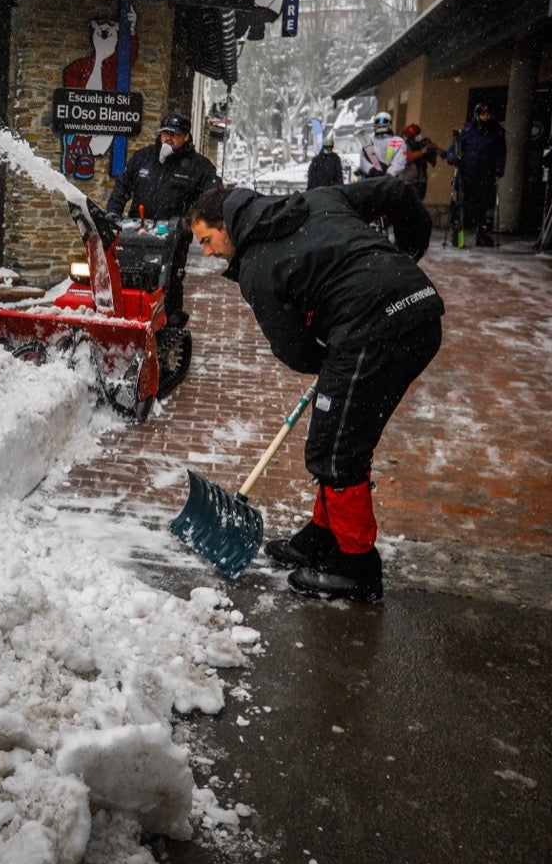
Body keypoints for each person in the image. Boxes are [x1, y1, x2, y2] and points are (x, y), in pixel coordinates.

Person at [187, 178, 444, 603]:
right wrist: (411, 251)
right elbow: (395, 192)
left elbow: (294, 350)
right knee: (333, 434)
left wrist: (330, 363)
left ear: (227, 225)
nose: (209, 253)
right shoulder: (318, 199)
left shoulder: (258, 267)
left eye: (208, 240)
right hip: (414, 311)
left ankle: (356, 567)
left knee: (338, 450)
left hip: (377, 330)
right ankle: (324, 536)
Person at [105, 112, 222, 325]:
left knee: (168, 281)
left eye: (174, 134)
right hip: (137, 232)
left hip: (173, 237)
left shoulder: (199, 167)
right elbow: (122, 187)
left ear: (186, 136)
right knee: (129, 275)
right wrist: (112, 213)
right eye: (164, 133)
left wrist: (190, 222)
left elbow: (212, 196)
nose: (167, 138)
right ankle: (126, 317)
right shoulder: (143, 158)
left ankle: (169, 324)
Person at [446, 102, 505, 246]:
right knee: (461, 204)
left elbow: (501, 153)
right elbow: (454, 148)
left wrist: (500, 167)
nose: (486, 117)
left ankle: (483, 235)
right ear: (477, 115)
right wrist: (453, 157)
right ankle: (457, 232)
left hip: (487, 174)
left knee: (486, 206)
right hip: (466, 173)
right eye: (483, 114)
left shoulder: (497, 132)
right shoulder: (467, 130)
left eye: (488, 114)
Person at [354, 111, 407, 179]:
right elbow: (363, 160)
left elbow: (399, 161)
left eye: (384, 121)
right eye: (378, 121)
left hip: (390, 180)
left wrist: (389, 174)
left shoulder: (398, 141)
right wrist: (371, 170)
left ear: (390, 123)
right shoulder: (369, 141)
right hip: (371, 178)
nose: (381, 124)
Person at [399, 123, 441, 202]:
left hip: (421, 181)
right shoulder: (402, 146)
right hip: (407, 181)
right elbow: (406, 158)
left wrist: (432, 151)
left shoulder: (421, 145)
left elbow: (431, 161)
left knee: (418, 204)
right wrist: (423, 151)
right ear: (410, 137)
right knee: (407, 205)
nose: (419, 138)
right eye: (416, 136)